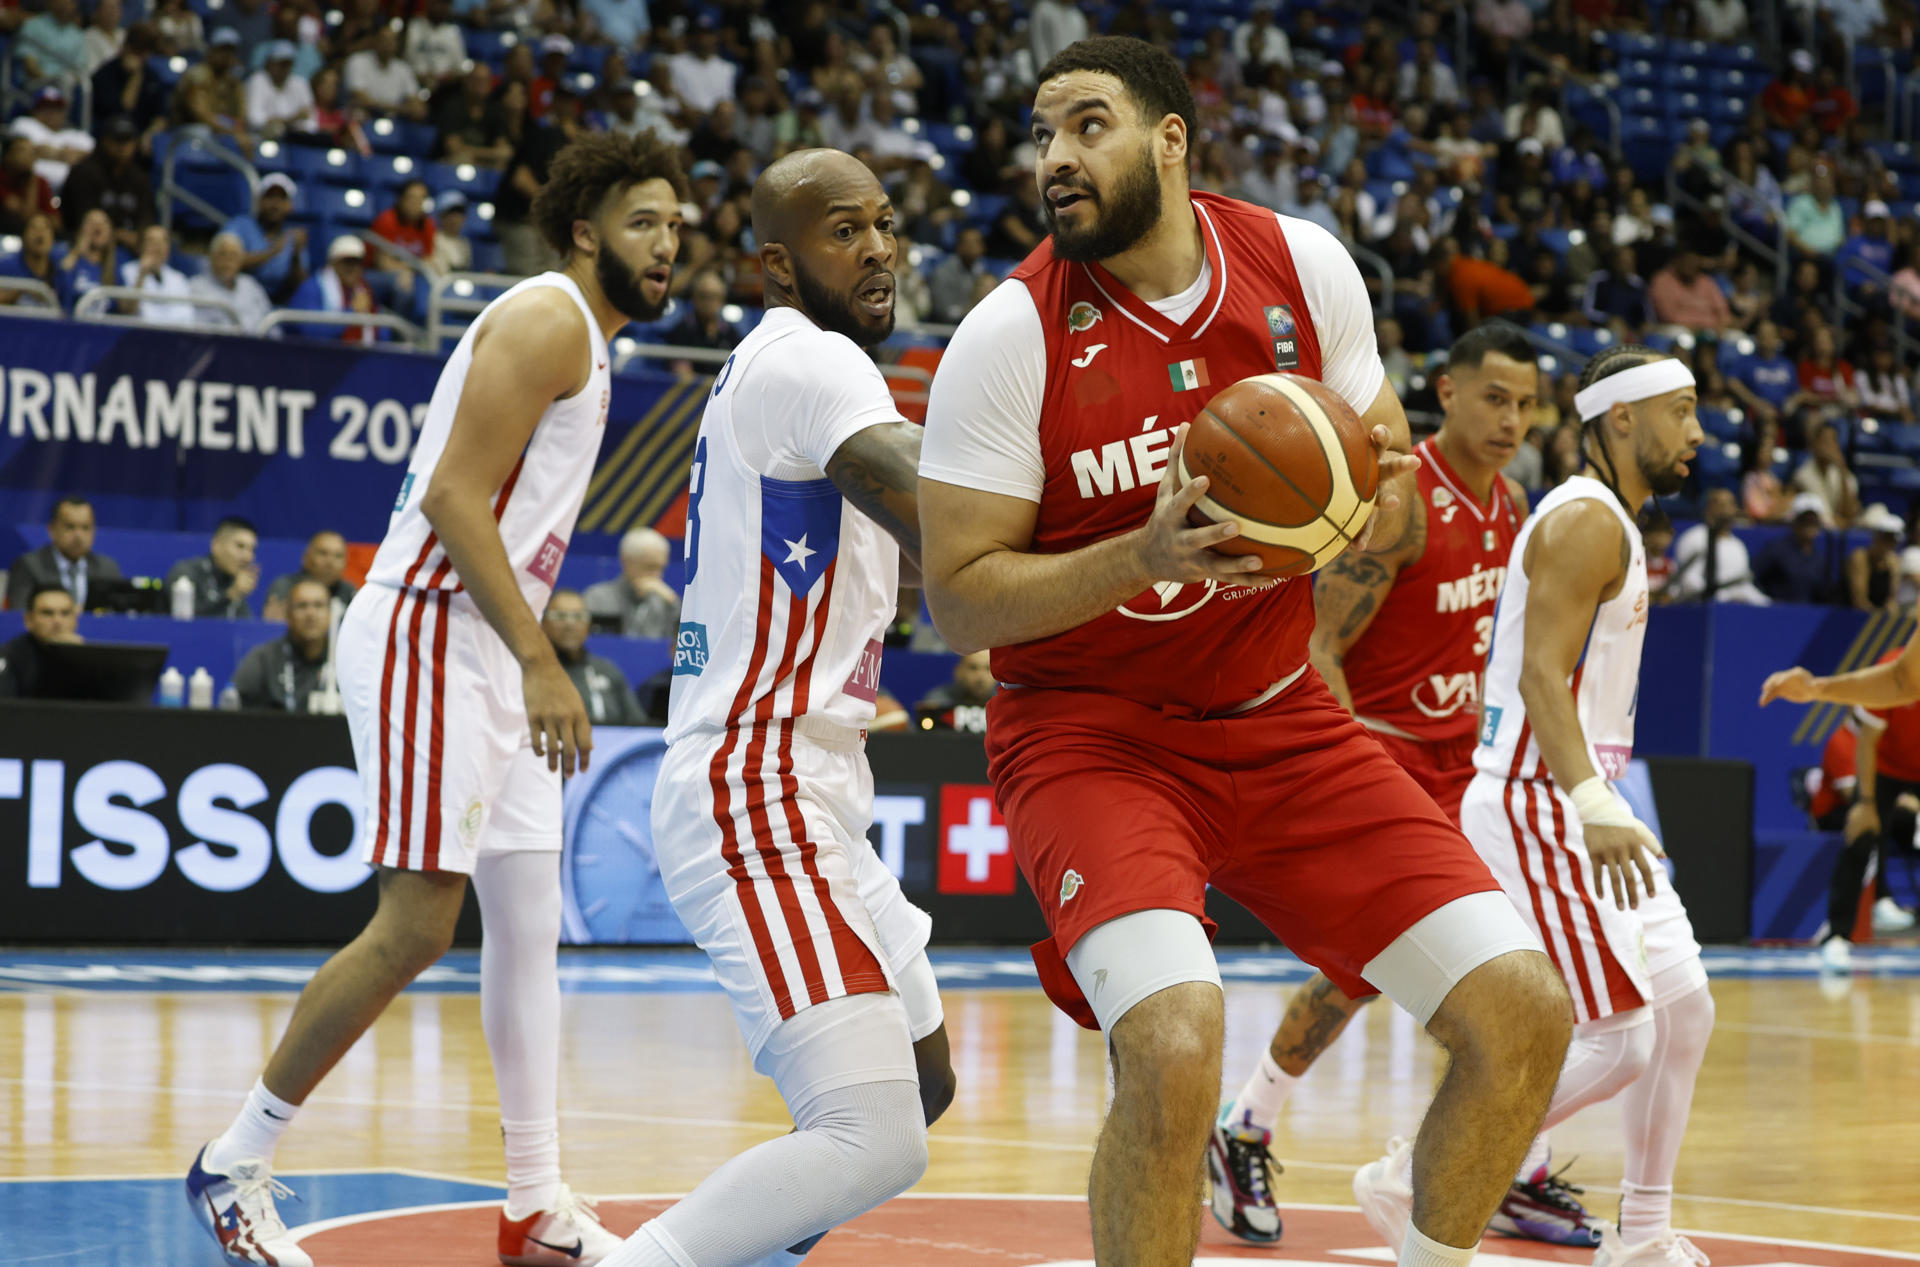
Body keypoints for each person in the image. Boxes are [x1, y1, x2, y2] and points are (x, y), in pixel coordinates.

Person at [917, 37, 1570, 1267]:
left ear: (1171, 139)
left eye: (1088, 125)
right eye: (1044, 133)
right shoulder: (1010, 335)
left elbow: (1380, 461)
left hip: (1281, 716)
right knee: (1170, 1046)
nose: (1057, 156)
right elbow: (957, 602)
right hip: (1093, 738)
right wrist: (1139, 557)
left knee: (1522, 1009)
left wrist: (1349, 497)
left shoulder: (1298, 265)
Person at [185, 130, 689, 1267]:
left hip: (481, 646)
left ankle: (532, 1199)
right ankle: (233, 1162)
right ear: (582, 230)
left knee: (524, 925)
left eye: (677, 227)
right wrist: (539, 655)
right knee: (418, 926)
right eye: (644, 222)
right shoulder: (551, 316)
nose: (667, 245)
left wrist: (522, 658)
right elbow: (459, 500)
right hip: (431, 630)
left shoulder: (591, 345)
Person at [598, 147, 956, 1267]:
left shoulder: (785, 367)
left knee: (922, 1078)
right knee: (875, 1133)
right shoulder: (814, 361)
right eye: (845, 231)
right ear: (776, 265)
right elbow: (947, 530)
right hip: (760, 780)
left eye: (886, 224)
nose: (880, 248)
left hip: (816, 782)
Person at [1209, 323, 1607, 1246]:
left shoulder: (1515, 506)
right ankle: (1246, 1123)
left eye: (1527, 403)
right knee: (1363, 976)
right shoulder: (1401, 504)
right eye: (1495, 398)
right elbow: (1319, 643)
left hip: (1471, 770)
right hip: (1387, 759)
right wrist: (1359, 771)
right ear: (1449, 391)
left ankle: (1513, 1164)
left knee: (1514, 972)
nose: (1513, 419)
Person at [1458, 344, 1716, 1267]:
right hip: (1542, 796)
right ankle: (1423, 1169)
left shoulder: (1613, 520)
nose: (1697, 432)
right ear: (1620, 421)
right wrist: (1587, 797)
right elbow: (1538, 675)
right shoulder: (1585, 521)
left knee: (1684, 1011)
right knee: (1620, 1039)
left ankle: (1642, 1234)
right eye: (1680, 412)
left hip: (1585, 794)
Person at [541, 588, 644, 725]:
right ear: (543, 623)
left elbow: (639, 724)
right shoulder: (533, 672)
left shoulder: (607, 670)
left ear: (588, 624)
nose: (570, 624)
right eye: (560, 616)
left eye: (578, 617)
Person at [233, 577, 336, 712]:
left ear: (330, 614)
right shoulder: (264, 659)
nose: (311, 614)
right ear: (288, 615)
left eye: (319, 605)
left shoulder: (345, 662)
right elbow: (234, 708)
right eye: (302, 606)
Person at [7, 496, 121, 612]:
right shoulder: (29, 566)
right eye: (70, 527)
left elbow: (116, 615)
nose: (78, 536)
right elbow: (20, 614)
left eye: (85, 528)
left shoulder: (107, 569)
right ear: (51, 530)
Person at [1667, 488, 1768, 604]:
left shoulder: (1738, 545)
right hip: (1698, 607)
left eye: (1730, 504)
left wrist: (1766, 604)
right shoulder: (1694, 538)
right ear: (1708, 508)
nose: (1725, 510)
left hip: (1733, 608)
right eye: (1720, 504)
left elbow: (1743, 584)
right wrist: (1722, 598)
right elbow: (1688, 580)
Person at [583, 527, 680, 637]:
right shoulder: (597, 598)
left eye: (661, 568)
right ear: (626, 562)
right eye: (650, 567)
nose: (657, 575)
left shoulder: (664, 602)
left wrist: (673, 602)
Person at [288, 236, 388, 343]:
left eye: (357, 262)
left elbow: (381, 332)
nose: (353, 268)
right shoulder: (312, 288)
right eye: (347, 262)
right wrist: (352, 313)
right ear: (333, 263)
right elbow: (309, 331)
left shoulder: (364, 290)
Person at [226, 173, 307, 302]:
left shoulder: (293, 236)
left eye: (281, 198)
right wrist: (272, 252)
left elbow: (300, 285)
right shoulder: (240, 224)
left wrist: (296, 256)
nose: (275, 205)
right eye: (270, 197)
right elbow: (226, 262)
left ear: (290, 205)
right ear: (259, 201)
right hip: (236, 295)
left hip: (276, 302)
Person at [166, 516, 260, 619]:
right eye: (240, 546)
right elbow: (186, 624)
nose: (248, 557)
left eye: (252, 550)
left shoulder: (233, 583)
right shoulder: (186, 573)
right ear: (216, 545)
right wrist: (231, 594)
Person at [0, 585, 83, 699]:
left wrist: (76, 655)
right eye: (47, 613)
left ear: (75, 620)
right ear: (28, 620)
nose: (57, 621)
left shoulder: (92, 660)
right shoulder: (10, 656)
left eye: (65, 613)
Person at [1753, 494, 1832, 603]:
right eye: (1805, 521)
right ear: (1795, 522)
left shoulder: (1819, 558)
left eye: (1814, 522)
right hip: (1776, 613)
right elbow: (1754, 577)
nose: (1810, 525)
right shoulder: (1776, 549)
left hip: (1808, 615)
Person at [262, 530, 357, 620]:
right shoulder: (286, 586)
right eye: (323, 553)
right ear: (306, 558)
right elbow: (274, 625)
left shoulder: (350, 592)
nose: (330, 562)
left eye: (338, 556)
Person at [190, 230, 273, 330]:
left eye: (233, 255)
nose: (228, 261)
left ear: (241, 259)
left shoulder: (251, 285)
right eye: (223, 254)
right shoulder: (196, 287)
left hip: (256, 343)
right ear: (211, 257)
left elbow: (270, 323)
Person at [119, 222, 196, 326]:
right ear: (141, 246)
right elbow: (127, 312)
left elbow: (188, 316)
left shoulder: (179, 279)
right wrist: (141, 276)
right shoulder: (127, 271)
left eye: (162, 241)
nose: (157, 247)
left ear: (168, 248)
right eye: (151, 241)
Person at [1792, 421, 1860, 528]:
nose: (1828, 447)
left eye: (1832, 442)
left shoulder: (1841, 472)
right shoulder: (1803, 475)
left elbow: (1850, 512)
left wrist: (1842, 471)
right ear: (1814, 444)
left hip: (1842, 524)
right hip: (1818, 527)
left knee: (1878, 511)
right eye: (1824, 441)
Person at [915, 649, 998, 733]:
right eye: (973, 668)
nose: (981, 677)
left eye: (988, 669)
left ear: (998, 673)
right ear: (958, 671)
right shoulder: (938, 702)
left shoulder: (1005, 705)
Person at [244, 40, 314, 138]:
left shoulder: (300, 83)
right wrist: (291, 120)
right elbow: (254, 119)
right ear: (269, 63)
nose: (284, 68)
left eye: (288, 64)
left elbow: (311, 122)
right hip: (262, 138)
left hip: (295, 139)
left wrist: (281, 122)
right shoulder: (258, 80)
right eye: (281, 64)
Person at [1844, 502, 1905, 612]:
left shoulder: (1894, 562)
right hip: (1850, 616)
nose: (1888, 543)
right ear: (1876, 537)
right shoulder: (1859, 558)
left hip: (1877, 618)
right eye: (1885, 538)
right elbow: (1859, 601)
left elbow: (1892, 599)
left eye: (1892, 540)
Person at [928, 225, 994, 324]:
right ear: (959, 246)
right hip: (948, 329)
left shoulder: (984, 272)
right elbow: (943, 310)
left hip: (978, 325)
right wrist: (967, 311)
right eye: (969, 243)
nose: (974, 247)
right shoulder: (943, 273)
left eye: (977, 242)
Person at [0, 211, 62, 308]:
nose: (40, 233)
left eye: (45, 228)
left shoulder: (60, 270)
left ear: (53, 238)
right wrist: (13, 294)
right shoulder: (5, 267)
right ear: (23, 237)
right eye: (34, 228)